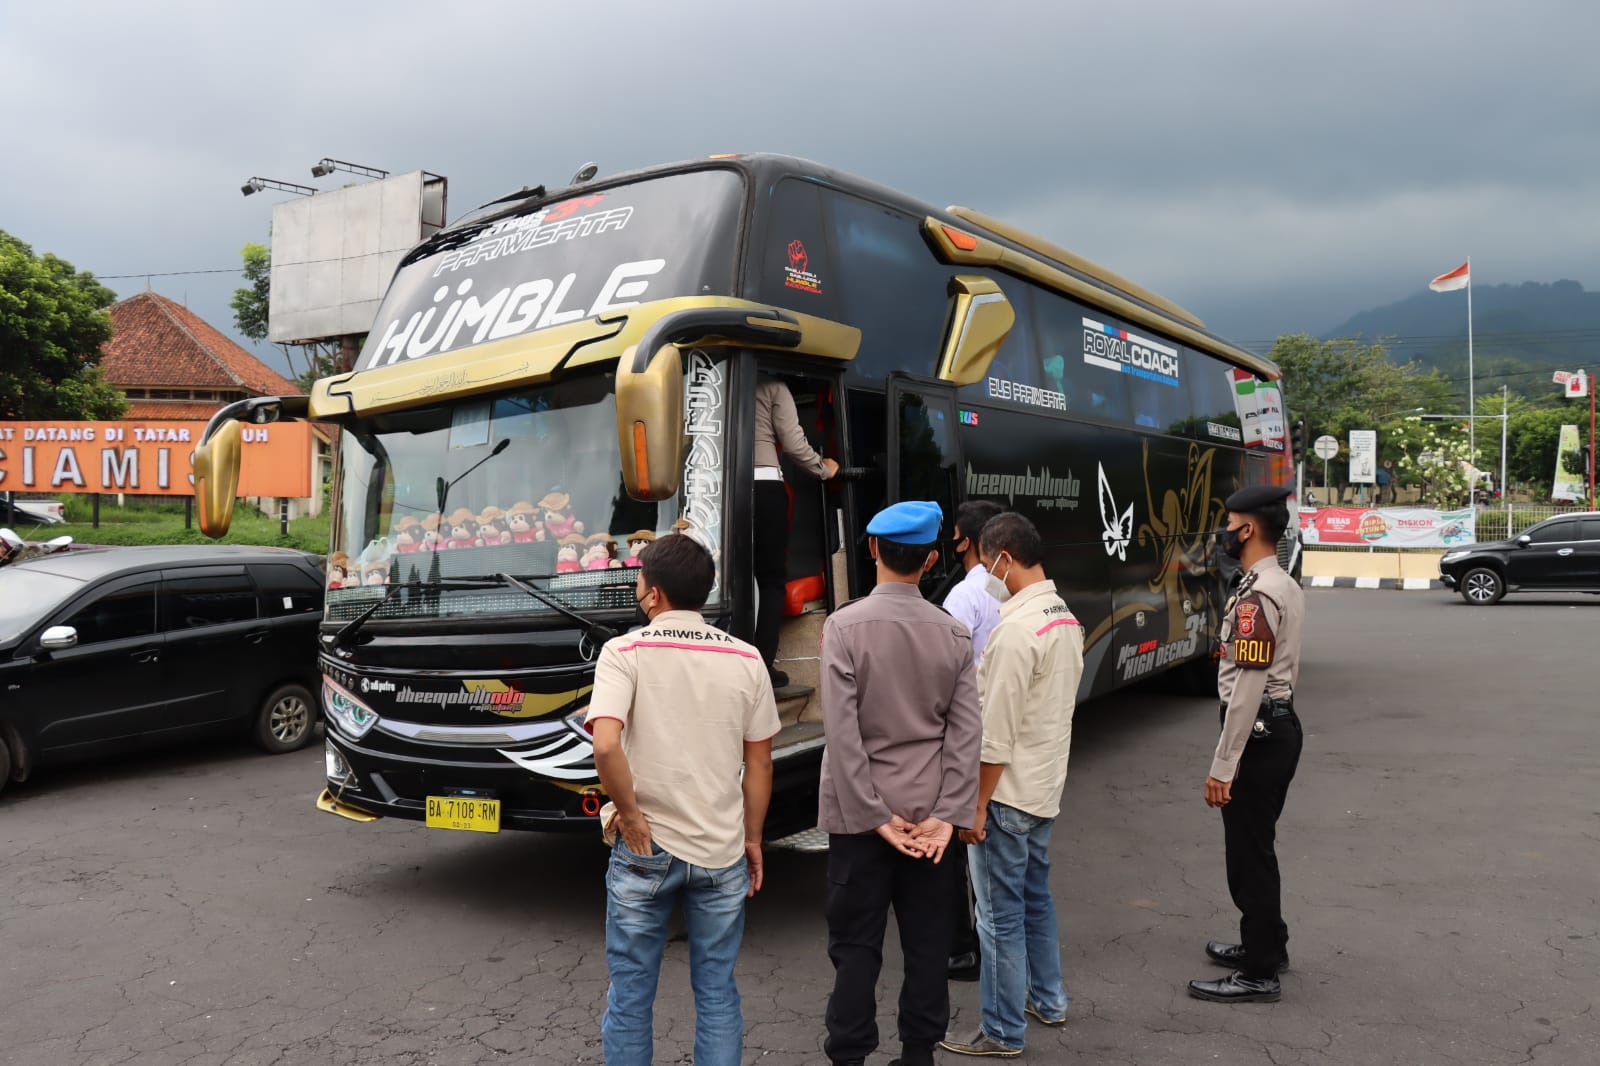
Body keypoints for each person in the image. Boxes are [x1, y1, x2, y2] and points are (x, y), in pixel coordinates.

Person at [585, 532, 781, 1066]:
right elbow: (760, 762)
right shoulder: (746, 658)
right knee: (717, 992)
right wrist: (752, 838)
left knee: (631, 996)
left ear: (654, 594)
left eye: (639, 580)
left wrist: (629, 817)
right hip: (721, 849)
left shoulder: (624, 652)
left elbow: (606, 744)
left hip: (645, 848)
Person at [818, 500, 983, 1066]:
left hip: (859, 821)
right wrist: (948, 814)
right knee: (929, 945)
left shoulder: (843, 627)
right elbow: (965, 733)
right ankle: (918, 1053)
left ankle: (848, 1055)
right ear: (931, 558)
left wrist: (872, 814)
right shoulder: (954, 633)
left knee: (855, 948)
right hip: (929, 818)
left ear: (872, 549)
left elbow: (842, 734)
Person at [942, 512, 1083, 1058]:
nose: (985, 575)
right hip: (1043, 789)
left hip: (1005, 797)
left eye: (985, 563)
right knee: (1035, 899)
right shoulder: (1063, 617)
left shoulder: (1016, 632)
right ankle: (1047, 998)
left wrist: (975, 807)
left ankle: (1001, 1030)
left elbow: (994, 737)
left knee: (998, 918)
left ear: (1003, 558)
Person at [1187, 484, 1305, 1004]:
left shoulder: (1258, 594)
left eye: (1229, 524)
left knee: (1248, 856)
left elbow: (1249, 686)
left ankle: (1259, 973)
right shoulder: (1278, 582)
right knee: (1257, 847)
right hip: (1276, 729)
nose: (1224, 533)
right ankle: (1267, 945)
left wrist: (1223, 764)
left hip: (1258, 734)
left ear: (1249, 529)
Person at [939, 499, 1005, 983]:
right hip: (1006, 731)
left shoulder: (964, 596)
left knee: (957, 844)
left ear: (965, 541)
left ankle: (961, 948)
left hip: (968, 732)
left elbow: (945, 668)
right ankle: (996, 942)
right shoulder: (1014, 589)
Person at [753, 376, 838, 689]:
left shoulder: (712, 381)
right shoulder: (774, 387)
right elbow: (793, 442)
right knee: (771, 579)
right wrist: (823, 468)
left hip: (720, 488)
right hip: (764, 484)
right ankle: (762, 664)